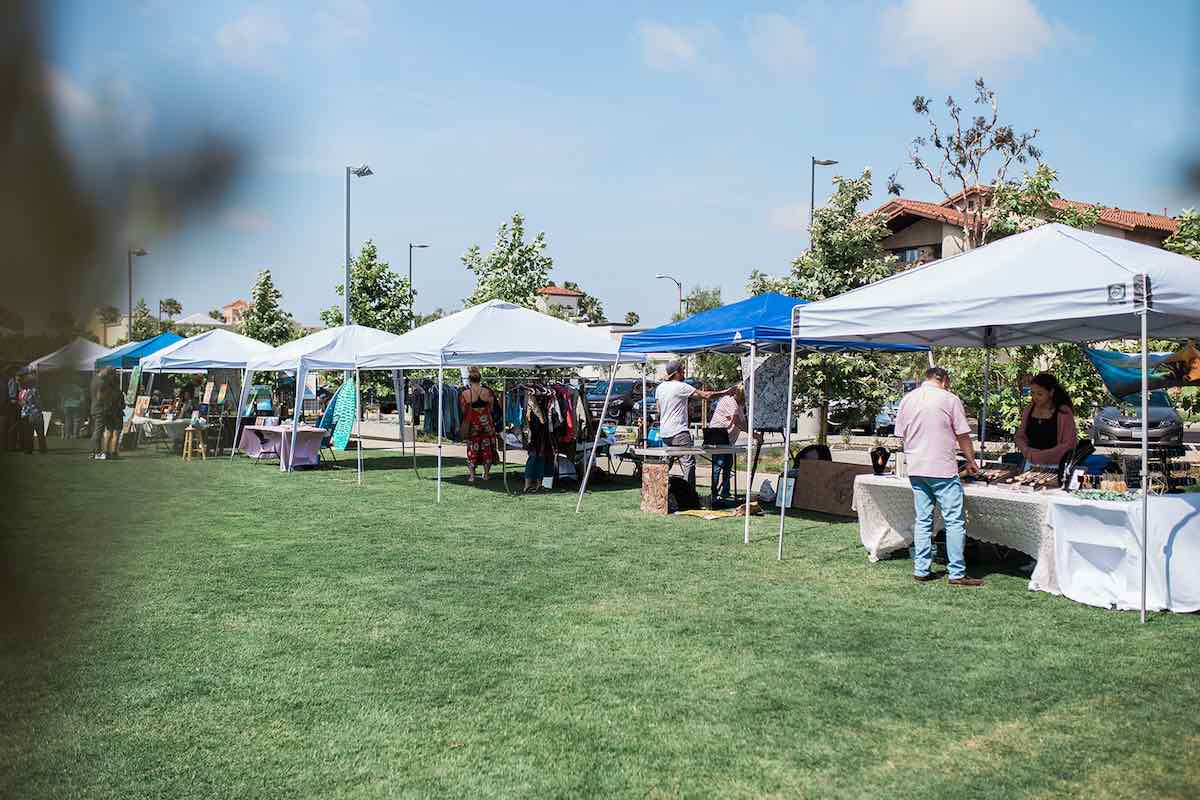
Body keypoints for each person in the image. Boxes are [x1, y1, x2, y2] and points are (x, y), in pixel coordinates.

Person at [894, 366, 982, 587]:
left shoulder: (908, 399)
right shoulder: (950, 399)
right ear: (945, 380)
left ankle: (921, 569)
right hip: (942, 468)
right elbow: (963, 435)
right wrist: (971, 461)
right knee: (954, 521)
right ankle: (956, 573)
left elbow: (900, 434)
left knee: (923, 520)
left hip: (916, 467)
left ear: (927, 378)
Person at [656, 361, 733, 488]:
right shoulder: (681, 386)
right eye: (683, 370)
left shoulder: (660, 388)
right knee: (688, 464)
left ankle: (659, 491)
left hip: (664, 433)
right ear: (677, 373)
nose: (684, 372)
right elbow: (706, 395)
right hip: (679, 432)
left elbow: (658, 409)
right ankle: (689, 496)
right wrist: (727, 392)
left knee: (665, 464)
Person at [1015, 372, 1077, 468]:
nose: (1035, 397)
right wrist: (1026, 450)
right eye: (1032, 393)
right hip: (1030, 464)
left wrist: (1041, 455)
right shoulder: (1029, 409)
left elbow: (1068, 444)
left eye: (1039, 394)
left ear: (1051, 392)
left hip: (1056, 466)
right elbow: (1020, 436)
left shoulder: (1063, 412)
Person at [707, 383, 751, 499]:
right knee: (719, 465)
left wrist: (751, 431)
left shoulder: (739, 404)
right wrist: (753, 434)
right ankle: (714, 493)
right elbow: (737, 422)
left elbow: (743, 422)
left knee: (728, 465)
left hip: (728, 439)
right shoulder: (729, 401)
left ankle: (725, 492)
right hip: (717, 435)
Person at [459, 368, 497, 483]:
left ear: (469, 380)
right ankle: (486, 474)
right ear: (480, 379)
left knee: (472, 449)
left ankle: (471, 476)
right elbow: (491, 408)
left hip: (472, 424)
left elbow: (463, 410)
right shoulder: (487, 392)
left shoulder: (465, 393)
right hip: (487, 424)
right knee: (487, 449)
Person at [17, 374, 47, 454]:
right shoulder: (34, 391)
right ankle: (41, 449)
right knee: (39, 433)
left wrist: (24, 403)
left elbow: (20, 402)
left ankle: (29, 449)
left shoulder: (22, 392)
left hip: (26, 414)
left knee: (29, 433)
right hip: (34, 413)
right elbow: (38, 402)